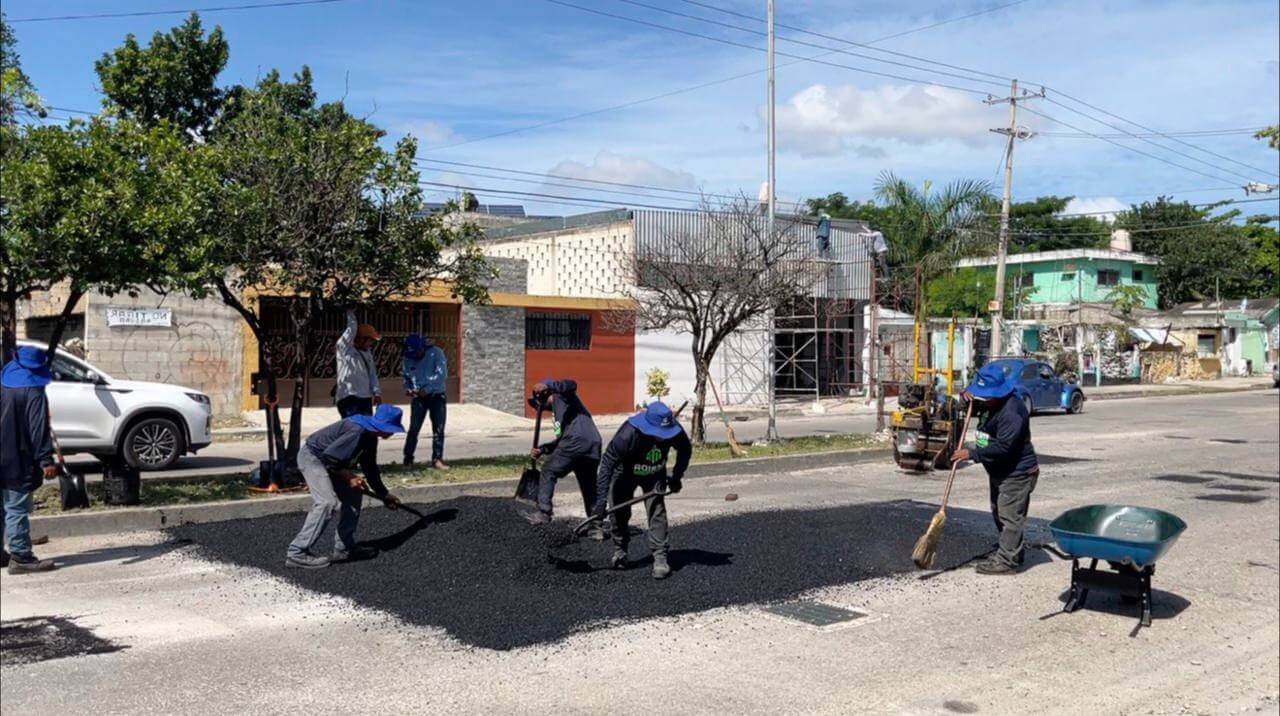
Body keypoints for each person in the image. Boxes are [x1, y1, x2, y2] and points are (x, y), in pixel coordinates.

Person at [285, 403, 405, 569]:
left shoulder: (370, 436)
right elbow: (328, 458)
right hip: (313, 457)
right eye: (390, 428)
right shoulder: (357, 430)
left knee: (353, 495)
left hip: (331, 462)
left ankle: (344, 548)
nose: (392, 432)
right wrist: (349, 477)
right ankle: (297, 552)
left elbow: (369, 468)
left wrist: (384, 494)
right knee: (327, 502)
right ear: (380, 426)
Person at [951, 362, 1040, 576]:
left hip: (1017, 473)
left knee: (1010, 516)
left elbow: (1004, 447)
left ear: (997, 393)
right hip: (1000, 471)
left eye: (984, 395)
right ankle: (1010, 551)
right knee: (999, 512)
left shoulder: (1012, 413)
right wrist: (966, 399)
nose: (981, 398)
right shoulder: (990, 403)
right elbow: (971, 408)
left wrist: (971, 453)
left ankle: (1008, 561)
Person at [592, 401, 691, 579]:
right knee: (619, 513)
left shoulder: (674, 428)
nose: (662, 438)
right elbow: (606, 465)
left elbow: (685, 449)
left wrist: (676, 477)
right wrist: (600, 502)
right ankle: (620, 551)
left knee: (657, 512)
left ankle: (660, 558)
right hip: (625, 473)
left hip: (654, 473)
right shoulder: (627, 434)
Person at [0, 346, 59, 574]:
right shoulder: (34, 390)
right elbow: (37, 429)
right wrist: (46, 460)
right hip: (18, 458)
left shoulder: (3, 384)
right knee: (16, 509)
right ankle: (21, 557)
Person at [524, 379, 603, 535]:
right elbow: (562, 440)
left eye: (540, 403)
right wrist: (543, 449)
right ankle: (596, 526)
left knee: (548, 470)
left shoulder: (563, 397)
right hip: (592, 445)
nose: (542, 408)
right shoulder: (562, 412)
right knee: (588, 486)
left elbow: (572, 383)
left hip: (576, 442)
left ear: (546, 394)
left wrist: (549, 386)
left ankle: (544, 513)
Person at [401, 334, 448, 470]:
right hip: (418, 397)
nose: (415, 356)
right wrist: (408, 388)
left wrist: (427, 388)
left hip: (436, 395)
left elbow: (442, 374)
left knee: (438, 428)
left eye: (417, 352)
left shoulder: (436, 353)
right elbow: (405, 376)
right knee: (414, 429)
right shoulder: (407, 357)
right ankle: (408, 459)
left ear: (423, 347)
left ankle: (437, 459)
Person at [335, 308, 381, 417]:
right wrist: (350, 312)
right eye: (370, 340)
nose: (371, 343)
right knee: (352, 429)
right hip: (348, 397)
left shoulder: (368, 354)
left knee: (367, 431)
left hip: (365, 398)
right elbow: (351, 330)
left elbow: (372, 375)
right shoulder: (344, 349)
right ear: (361, 339)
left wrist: (377, 393)